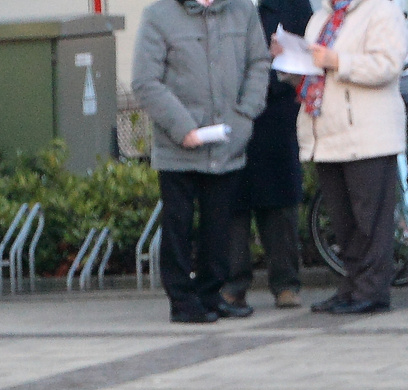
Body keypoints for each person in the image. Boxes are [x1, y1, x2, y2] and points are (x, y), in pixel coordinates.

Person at [132, 0, 270, 324]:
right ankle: (182, 301)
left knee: (219, 226)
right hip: (178, 146)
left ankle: (211, 295)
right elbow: (146, 80)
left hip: (227, 141)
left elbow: (259, 64)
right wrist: (184, 127)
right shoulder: (158, 15)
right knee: (178, 226)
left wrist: (245, 114)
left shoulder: (243, 11)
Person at [286, 0, 408, 314]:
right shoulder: (321, 18)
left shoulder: (382, 10)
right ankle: (351, 288)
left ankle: (372, 291)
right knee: (343, 222)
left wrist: (337, 60)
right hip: (326, 134)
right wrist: (289, 61)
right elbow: (313, 73)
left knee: (370, 222)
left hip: (368, 134)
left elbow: (388, 64)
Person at [223, 0, 314, 311]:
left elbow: (310, 50)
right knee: (232, 204)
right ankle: (232, 284)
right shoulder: (223, 6)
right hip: (230, 115)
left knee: (280, 206)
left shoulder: (292, 4)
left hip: (276, 116)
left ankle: (286, 284)